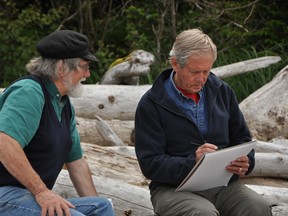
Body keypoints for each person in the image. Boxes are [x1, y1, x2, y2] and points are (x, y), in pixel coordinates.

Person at [134, 28, 272, 216]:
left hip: (221, 185)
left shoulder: (222, 91)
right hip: (172, 189)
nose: (202, 79)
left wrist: (247, 161)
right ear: (175, 63)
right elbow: (150, 164)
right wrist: (193, 162)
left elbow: (242, 138)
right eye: (195, 71)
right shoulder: (151, 104)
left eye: (206, 71)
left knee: (258, 208)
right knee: (203, 214)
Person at [0, 30, 115, 216]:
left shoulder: (63, 103)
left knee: (102, 207)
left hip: (25, 196)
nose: (87, 74)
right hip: (5, 195)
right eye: (83, 67)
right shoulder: (29, 92)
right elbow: (4, 143)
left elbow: (77, 163)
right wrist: (41, 191)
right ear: (62, 68)